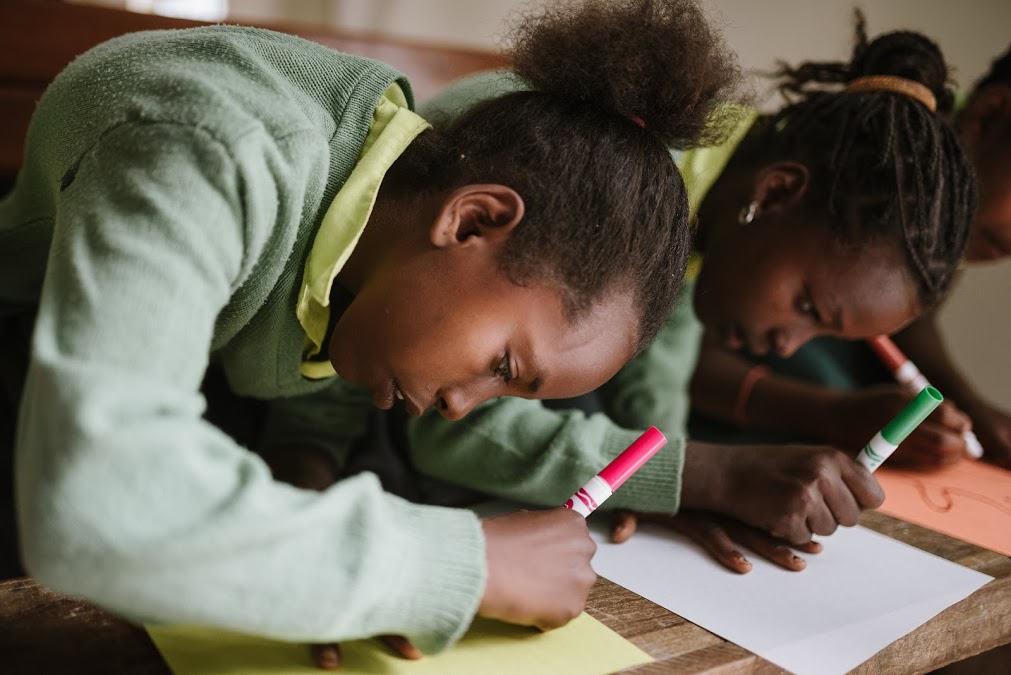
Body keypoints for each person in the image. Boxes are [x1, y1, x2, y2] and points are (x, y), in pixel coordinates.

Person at [0, 0, 751, 665]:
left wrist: (318, 573)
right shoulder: (213, 144)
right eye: (501, 362)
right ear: (473, 220)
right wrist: (458, 565)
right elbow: (98, 507)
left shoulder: (377, 243)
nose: (465, 406)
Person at [334, 15, 974, 575]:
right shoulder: (583, 171)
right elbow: (446, 422)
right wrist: (706, 475)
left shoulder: (705, 204)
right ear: (776, 193)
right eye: (808, 305)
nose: (788, 346)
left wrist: (668, 484)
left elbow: (660, 377)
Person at [688, 36, 1010, 471]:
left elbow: (664, 366)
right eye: (807, 304)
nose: (784, 348)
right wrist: (698, 480)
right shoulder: (647, 182)